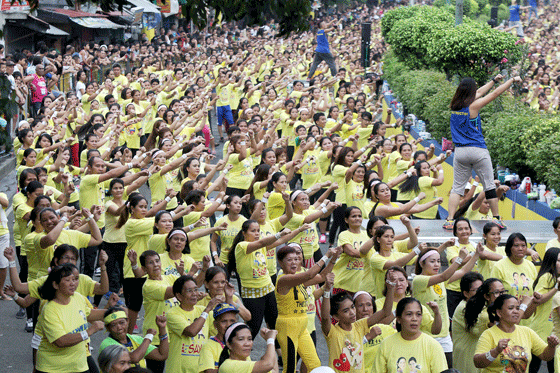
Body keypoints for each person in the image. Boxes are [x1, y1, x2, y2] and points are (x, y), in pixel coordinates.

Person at [445, 73, 522, 230]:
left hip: (460, 152)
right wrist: (511, 80)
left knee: (457, 188)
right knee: (489, 186)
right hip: (478, 150)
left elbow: (479, 92)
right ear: (471, 92)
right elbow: (494, 94)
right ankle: (496, 218)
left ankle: (450, 220)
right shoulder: (473, 106)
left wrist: (493, 80)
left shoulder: (455, 106)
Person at [412, 244, 481, 368]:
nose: (437, 264)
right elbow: (444, 276)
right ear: (422, 264)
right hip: (426, 334)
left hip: (444, 336)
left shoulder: (440, 281)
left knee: (448, 369)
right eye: (432, 261)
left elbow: (463, 271)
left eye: (438, 261)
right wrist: (459, 259)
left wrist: (476, 255)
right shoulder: (419, 280)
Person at [275, 244, 341, 373]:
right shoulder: (284, 279)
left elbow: (321, 277)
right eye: (289, 260)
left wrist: (333, 259)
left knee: (314, 364)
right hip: (288, 326)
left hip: (302, 326)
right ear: (280, 263)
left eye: (296, 259)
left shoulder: (298, 278)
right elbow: (310, 274)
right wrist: (326, 255)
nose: (294, 263)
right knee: (290, 368)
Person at [35, 264, 105, 373]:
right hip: (53, 369)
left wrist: (112, 310)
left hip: (79, 366)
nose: (73, 283)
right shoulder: (49, 310)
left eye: (75, 279)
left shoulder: (77, 297)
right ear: (55, 285)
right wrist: (90, 331)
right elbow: (61, 341)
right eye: (67, 280)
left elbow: (89, 314)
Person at [321, 270, 395, 373]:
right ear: (336, 317)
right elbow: (324, 317)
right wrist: (327, 291)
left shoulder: (360, 325)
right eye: (346, 311)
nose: (352, 312)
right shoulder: (332, 332)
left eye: (352, 307)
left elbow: (385, 312)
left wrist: (391, 287)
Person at [474, 294, 559, 372]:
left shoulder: (527, 332)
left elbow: (546, 356)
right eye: (511, 308)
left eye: (518, 308)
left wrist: (551, 346)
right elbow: (477, 363)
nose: (515, 311)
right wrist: (496, 351)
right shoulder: (488, 334)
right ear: (499, 313)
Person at [373, 297, 448, 373]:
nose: (414, 319)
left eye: (418, 314)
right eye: (409, 314)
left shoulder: (433, 346)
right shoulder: (386, 345)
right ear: (398, 319)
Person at [167, 275, 222, 373]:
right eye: (189, 291)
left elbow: (220, 332)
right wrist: (208, 309)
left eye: (196, 289)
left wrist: (229, 298)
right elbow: (191, 332)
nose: (194, 294)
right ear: (179, 296)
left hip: (200, 370)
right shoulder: (172, 313)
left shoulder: (202, 310)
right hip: (178, 370)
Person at [100, 307, 169, 370]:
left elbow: (162, 355)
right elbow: (133, 358)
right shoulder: (107, 344)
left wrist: (162, 328)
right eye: (113, 325)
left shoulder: (136, 339)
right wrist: (148, 337)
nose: (119, 328)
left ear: (127, 322)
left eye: (121, 323)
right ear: (107, 328)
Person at [529, 247, 560, 373]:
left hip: (550, 327)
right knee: (535, 365)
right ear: (553, 261)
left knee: (553, 363)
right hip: (542, 327)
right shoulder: (547, 277)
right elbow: (538, 299)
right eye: (558, 260)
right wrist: (556, 288)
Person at [198, 303, 240, 373]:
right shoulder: (208, 346)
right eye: (224, 321)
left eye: (232, 321)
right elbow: (209, 372)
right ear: (215, 324)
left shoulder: (239, 344)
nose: (228, 325)